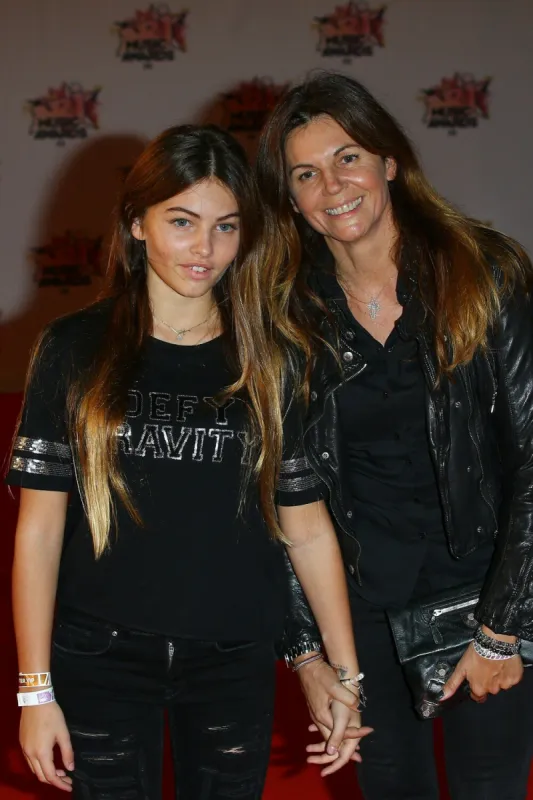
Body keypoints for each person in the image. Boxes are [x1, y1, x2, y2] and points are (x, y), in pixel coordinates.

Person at [8, 124, 371, 800]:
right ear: (137, 223)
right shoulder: (74, 347)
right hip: (99, 660)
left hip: (232, 661)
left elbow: (307, 527)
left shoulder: (271, 356)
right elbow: (40, 531)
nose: (204, 249)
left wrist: (343, 672)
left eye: (225, 227)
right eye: (182, 221)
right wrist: (35, 692)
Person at [255, 72, 533, 799]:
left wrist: (502, 629)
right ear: (289, 198)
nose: (332, 185)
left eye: (347, 157)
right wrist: (307, 652)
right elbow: (281, 496)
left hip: (483, 597)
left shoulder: (483, 270)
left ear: (388, 162)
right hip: (359, 612)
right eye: (305, 174)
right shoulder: (284, 316)